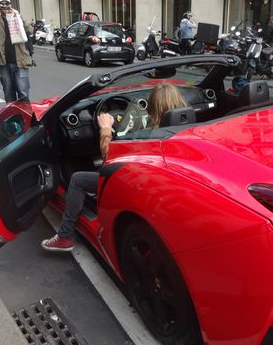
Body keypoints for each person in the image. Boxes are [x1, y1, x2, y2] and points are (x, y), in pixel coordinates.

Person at [41, 83, 187, 252]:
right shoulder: (186, 124)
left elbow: (110, 157)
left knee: (78, 179)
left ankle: (64, 236)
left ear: (153, 106)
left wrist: (105, 129)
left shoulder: (154, 135)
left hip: (136, 180)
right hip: (166, 178)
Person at [0, 0, 33, 102]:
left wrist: (18, 16)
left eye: (7, 4)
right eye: (2, 4)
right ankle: (12, 117)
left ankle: (25, 118)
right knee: (8, 93)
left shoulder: (16, 17)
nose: (5, 6)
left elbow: (30, 30)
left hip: (21, 61)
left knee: (23, 93)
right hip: (4, 62)